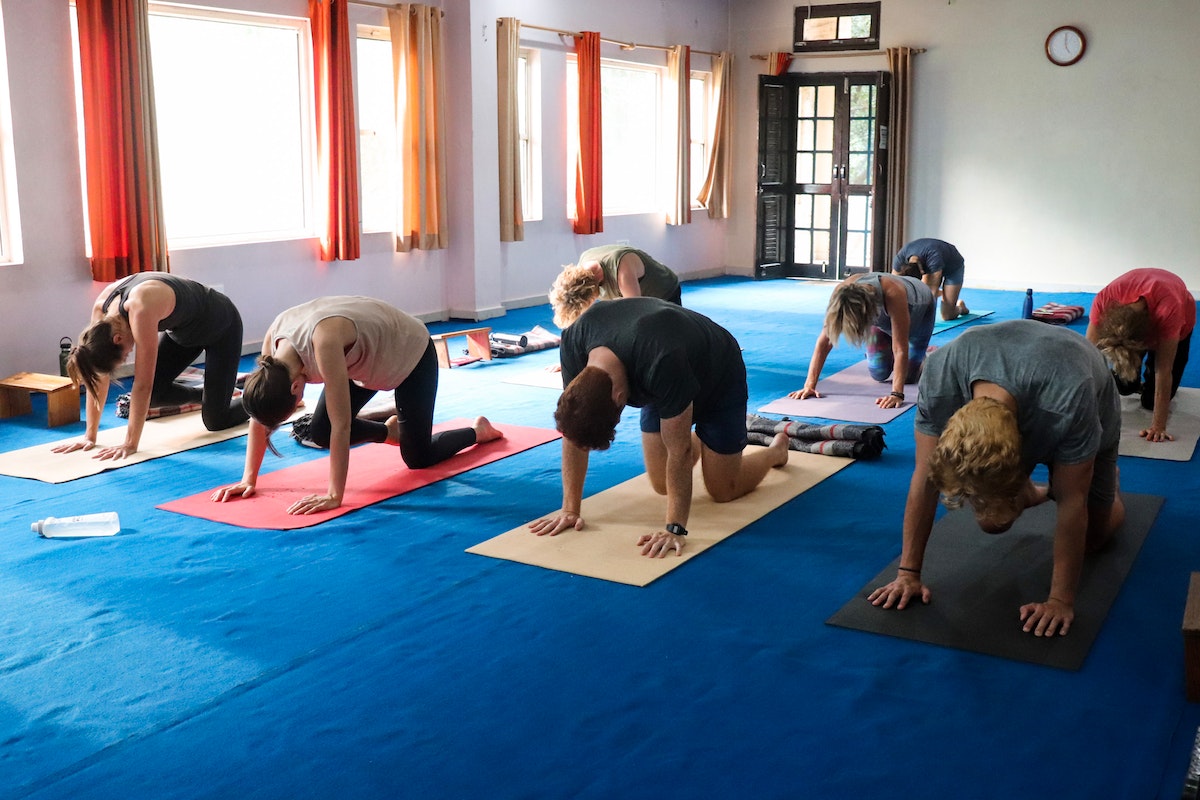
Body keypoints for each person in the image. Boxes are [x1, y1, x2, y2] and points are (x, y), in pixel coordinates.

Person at [869, 320, 1125, 637]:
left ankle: (1110, 483)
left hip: (1080, 381)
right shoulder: (940, 378)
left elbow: (1073, 501)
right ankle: (1037, 491)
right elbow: (925, 475)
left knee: (1094, 540)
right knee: (993, 521)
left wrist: (1059, 599)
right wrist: (908, 572)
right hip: (1026, 385)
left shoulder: (1069, 397)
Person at [529, 297, 791, 557]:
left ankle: (775, 452)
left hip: (717, 372)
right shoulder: (574, 346)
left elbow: (679, 452)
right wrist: (569, 509)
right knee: (662, 483)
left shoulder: (660, 360)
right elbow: (575, 429)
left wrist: (674, 529)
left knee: (723, 489)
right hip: (662, 375)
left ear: (621, 398)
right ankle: (699, 439)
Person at [211, 296, 502, 515]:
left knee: (418, 457)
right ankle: (390, 432)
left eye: (296, 402)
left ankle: (479, 431)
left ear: (296, 387)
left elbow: (343, 425)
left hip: (410, 353)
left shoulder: (323, 344)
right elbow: (259, 414)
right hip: (364, 360)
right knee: (319, 432)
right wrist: (248, 479)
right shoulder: (272, 355)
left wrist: (334, 495)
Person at [56, 273, 249, 461]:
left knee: (216, 420)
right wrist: (90, 436)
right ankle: (212, 397)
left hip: (222, 327)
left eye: (123, 356)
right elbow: (99, 378)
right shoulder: (102, 311)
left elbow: (142, 384)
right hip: (183, 334)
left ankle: (259, 394)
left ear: (118, 339)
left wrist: (130, 444)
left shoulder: (141, 308)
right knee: (153, 397)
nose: (127, 356)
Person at [788, 272, 935, 409]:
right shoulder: (841, 294)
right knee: (879, 373)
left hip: (920, 312)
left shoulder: (893, 294)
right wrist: (809, 385)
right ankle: (885, 346)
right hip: (881, 317)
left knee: (908, 377)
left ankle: (924, 357)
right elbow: (824, 341)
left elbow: (900, 349)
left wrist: (897, 394)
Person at [1086, 267, 1195, 443]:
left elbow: (1164, 369)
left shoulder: (1170, 310)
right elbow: (1087, 356)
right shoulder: (1104, 300)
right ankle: (1133, 382)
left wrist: (1158, 426)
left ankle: (1147, 380)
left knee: (1151, 402)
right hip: (1135, 324)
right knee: (1124, 386)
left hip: (1179, 321)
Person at [548, 244, 681, 329]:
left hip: (665, 293)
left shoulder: (622, 273)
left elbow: (638, 316)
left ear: (591, 296)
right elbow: (579, 320)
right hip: (632, 297)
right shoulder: (583, 265)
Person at [892, 237, 969, 321]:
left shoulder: (933, 259)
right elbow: (894, 286)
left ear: (922, 272)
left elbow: (932, 293)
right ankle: (945, 294)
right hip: (929, 259)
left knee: (947, 315)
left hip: (953, 266)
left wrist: (924, 321)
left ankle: (960, 308)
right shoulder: (900, 260)